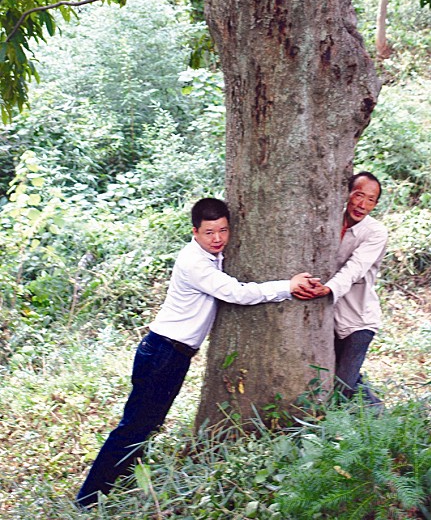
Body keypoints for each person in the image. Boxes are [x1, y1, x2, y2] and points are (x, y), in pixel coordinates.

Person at [76, 197, 321, 508]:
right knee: (135, 425)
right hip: (163, 353)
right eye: (209, 232)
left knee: (147, 423)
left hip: (169, 353)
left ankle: (116, 484)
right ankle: (88, 499)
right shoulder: (194, 263)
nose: (217, 238)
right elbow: (237, 293)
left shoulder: (210, 256)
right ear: (195, 232)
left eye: (223, 230)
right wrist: (287, 286)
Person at [313, 172, 387, 406]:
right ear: (346, 194)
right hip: (331, 321)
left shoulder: (375, 233)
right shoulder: (328, 221)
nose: (363, 205)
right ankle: (375, 415)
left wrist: (328, 288)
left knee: (343, 387)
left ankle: (376, 415)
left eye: (371, 200)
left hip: (359, 321)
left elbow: (355, 268)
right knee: (346, 379)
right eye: (358, 195)